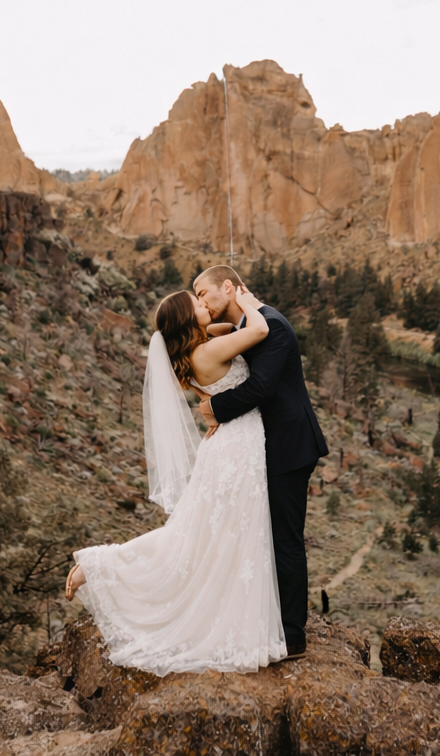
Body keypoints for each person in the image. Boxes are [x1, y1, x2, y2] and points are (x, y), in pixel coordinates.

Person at [62, 284, 288, 674]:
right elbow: (259, 331)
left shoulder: (200, 345)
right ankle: (98, 567)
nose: (204, 304)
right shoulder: (206, 351)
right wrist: (243, 297)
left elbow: (228, 331)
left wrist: (221, 316)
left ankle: (229, 618)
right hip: (236, 450)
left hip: (234, 445)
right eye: (197, 303)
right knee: (203, 537)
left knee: (211, 537)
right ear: (187, 319)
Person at [193, 265, 328, 658]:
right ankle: (270, 619)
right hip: (265, 447)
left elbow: (261, 387)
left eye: (203, 293)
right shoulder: (246, 327)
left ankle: (292, 636)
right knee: (265, 535)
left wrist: (215, 407)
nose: (201, 300)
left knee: (285, 539)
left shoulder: (273, 325)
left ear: (229, 287)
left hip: (290, 446)